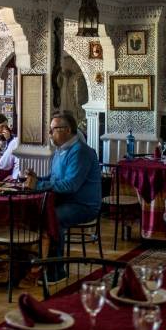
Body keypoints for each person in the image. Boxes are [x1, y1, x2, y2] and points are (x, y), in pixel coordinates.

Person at [25, 112, 101, 280]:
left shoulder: (81, 152)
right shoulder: (61, 151)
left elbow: (71, 185)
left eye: (53, 129)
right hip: (64, 201)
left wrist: (37, 185)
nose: (50, 133)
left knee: (53, 217)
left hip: (83, 205)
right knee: (33, 214)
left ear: (67, 130)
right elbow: (54, 179)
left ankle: (56, 271)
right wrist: (36, 178)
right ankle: (32, 266)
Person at [0, 114, 20, 180]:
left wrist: (8, 140)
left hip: (4, 165)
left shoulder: (12, 137)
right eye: (1, 126)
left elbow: (11, 152)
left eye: (6, 126)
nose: (4, 129)